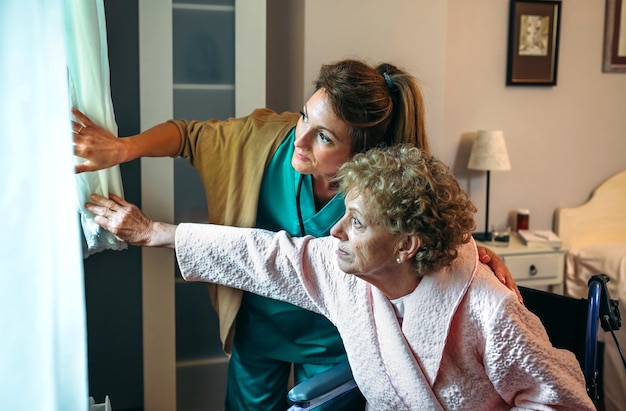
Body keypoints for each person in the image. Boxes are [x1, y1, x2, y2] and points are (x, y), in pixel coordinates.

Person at [74, 59, 521, 410]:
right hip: (260, 326)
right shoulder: (267, 142)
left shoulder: (387, 193)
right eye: (305, 115)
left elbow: (423, 233)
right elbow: (190, 136)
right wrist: (122, 148)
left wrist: (470, 254)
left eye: (324, 137)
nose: (300, 139)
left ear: (361, 155)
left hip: (337, 340)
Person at [86, 145, 594, 410]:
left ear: (406, 245)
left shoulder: (488, 307)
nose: (335, 231)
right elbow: (266, 254)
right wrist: (156, 232)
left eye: (356, 221)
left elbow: (562, 402)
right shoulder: (345, 272)